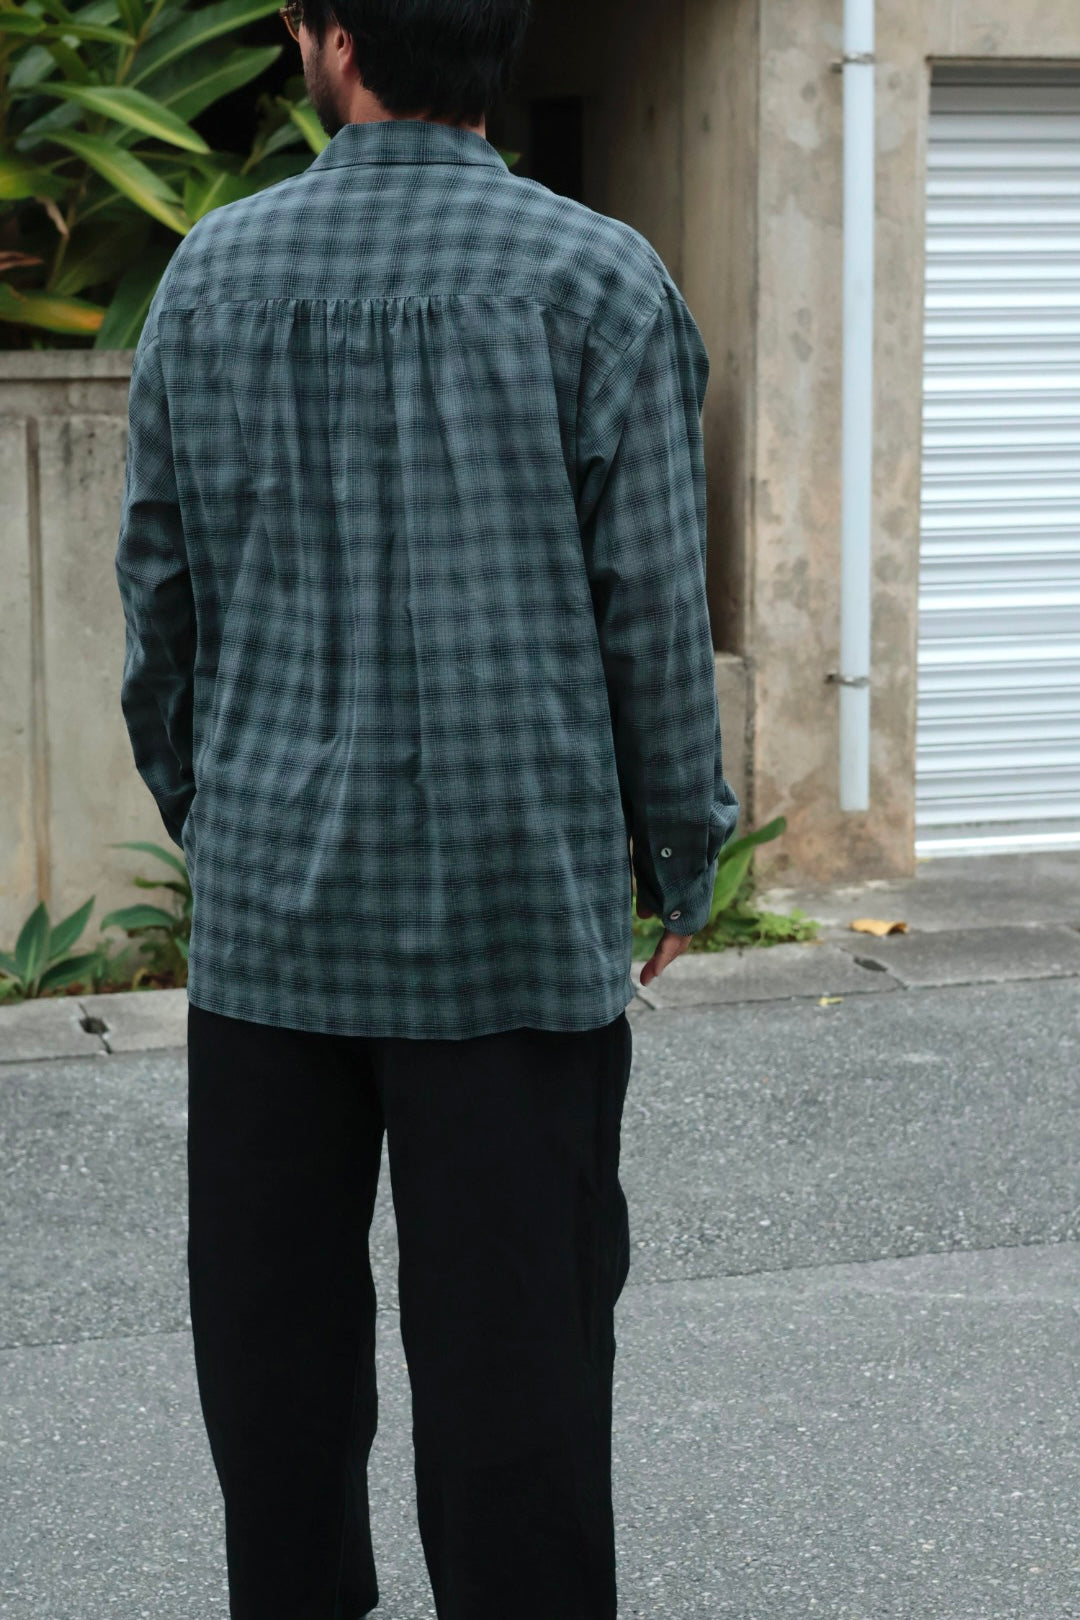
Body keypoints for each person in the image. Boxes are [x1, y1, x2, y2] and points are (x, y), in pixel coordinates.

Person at [114, 1, 740, 1614]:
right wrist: (679, 853)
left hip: (273, 932)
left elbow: (159, 598)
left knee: (275, 1363)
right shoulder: (600, 280)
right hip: (514, 923)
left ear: (333, 43)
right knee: (520, 1366)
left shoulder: (209, 275)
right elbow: (654, 614)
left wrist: (216, 812)